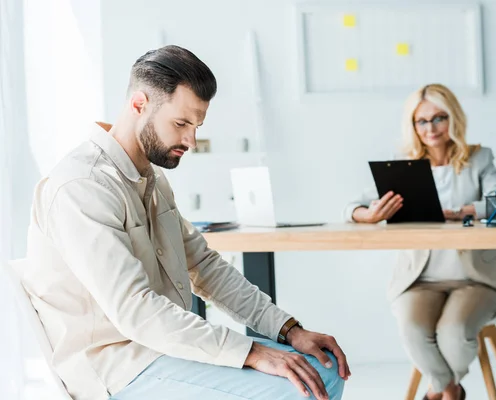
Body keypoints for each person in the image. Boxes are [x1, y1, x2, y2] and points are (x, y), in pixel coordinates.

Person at [23, 45, 348, 400]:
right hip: (119, 368)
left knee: (323, 370)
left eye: (197, 125)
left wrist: (287, 330)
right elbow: (137, 310)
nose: (191, 140)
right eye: (181, 123)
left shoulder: (151, 179)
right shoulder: (83, 186)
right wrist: (251, 352)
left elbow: (204, 267)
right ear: (138, 104)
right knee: (301, 389)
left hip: (164, 351)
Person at [343, 84, 496, 400]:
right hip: (419, 278)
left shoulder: (479, 158)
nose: (431, 128)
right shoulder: (402, 163)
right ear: (412, 125)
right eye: (421, 121)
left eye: (439, 118)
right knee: (413, 331)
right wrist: (366, 214)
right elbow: (352, 206)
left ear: (454, 118)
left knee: (454, 334)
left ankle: (436, 394)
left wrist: (460, 211)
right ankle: (450, 390)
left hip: (475, 278)